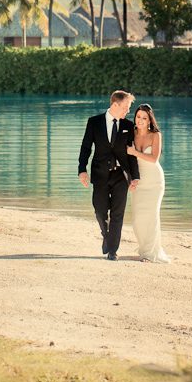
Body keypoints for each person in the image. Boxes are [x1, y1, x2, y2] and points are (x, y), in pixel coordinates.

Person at [78, 90, 139, 260]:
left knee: (118, 213)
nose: (128, 111)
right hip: (100, 174)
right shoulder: (94, 122)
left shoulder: (128, 126)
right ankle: (107, 236)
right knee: (100, 211)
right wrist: (82, 170)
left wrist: (135, 177)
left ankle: (112, 250)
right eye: (126, 107)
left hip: (121, 175)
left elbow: (131, 154)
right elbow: (85, 147)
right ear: (115, 104)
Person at [125, 103, 170, 263]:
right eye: (138, 117)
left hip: (154, 181)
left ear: (150, 120)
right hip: (138, 180)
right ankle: (144, 249)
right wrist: (130, 179)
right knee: (137, 218)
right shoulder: (131, 133)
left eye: (144, 118)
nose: (140, 120)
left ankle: (150, 254)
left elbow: (153, 159)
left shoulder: (156, 135)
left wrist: (135, 152)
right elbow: (127, 160)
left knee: (152, 216)